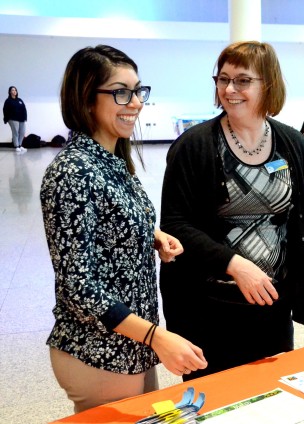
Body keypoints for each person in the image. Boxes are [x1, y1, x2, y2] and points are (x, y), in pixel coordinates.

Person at [40, 45, 207, 413]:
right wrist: (157, 337)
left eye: (138, 91)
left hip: (131, 345)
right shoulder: (73, 173)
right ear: (86, 100)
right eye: (121, 92)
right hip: (99, 353)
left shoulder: (113, 161)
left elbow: (110, 224)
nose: (135, 102)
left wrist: (152, 235)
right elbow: (79, 289)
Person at [159, 40, 304, 381]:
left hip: (272, 304)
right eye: (222, 79)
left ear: (269, 85)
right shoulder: (195, 146)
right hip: (210, 306)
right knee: (217, 404)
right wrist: (235, 266)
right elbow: (175, 224)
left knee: (274, 396)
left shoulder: (291, 143)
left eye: (242, 80)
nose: (229, 89)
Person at [3, 86, 28, 153]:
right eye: (13, 90)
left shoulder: (19, 100)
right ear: (10, 92)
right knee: (15, 132)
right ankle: (16, 146)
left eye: (15, 90)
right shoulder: (8, 101)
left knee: (22, 132)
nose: (14, 91)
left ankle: (20, 145)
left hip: (21, 118)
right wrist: (6, 119)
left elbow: (24, 109)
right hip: (13, 119)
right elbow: (5, 110)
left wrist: (25, 117)